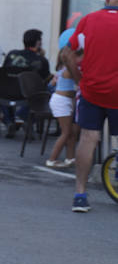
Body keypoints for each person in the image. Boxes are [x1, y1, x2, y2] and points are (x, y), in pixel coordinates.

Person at [63, 0, 118, 213]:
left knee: (88, 138)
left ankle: (80, 194)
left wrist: (78, 79)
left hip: (92, 91)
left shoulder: (89, 20)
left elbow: (68, 53)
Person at [0, 29, 51, 137]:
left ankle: (9, 121)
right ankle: (21, 116)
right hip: (28, 95)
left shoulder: (11, 54)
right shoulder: (41, 60)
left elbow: (3, 73)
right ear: (38, 42)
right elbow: (46, 79)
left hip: (6, 93)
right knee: (44, 92)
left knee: (3, 89)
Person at [46, 22, 80, 170]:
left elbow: (53, 84)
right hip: (62, 101)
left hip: (64, 100)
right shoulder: (68, 69)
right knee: (66, 133)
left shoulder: (62, 68)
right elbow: (78, 80)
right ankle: (52, 159)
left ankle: (70, 158)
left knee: (71, 133)